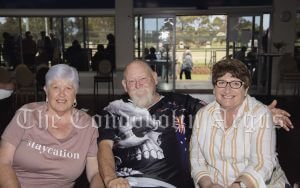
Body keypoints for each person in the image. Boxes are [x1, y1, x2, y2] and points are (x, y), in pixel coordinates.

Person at [97, 59, 293, 188]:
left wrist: (261, 112)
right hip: (127, 183)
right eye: (132, 82)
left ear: (155, 78)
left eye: (143, 79)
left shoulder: (181, 104)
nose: (138, 85)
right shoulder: (113, 110)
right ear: (124, 86)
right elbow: (104, 148)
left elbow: (223, 106)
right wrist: (110, 179)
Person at [190, 59, 290, 188]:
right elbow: (196, 160)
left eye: (235, 83)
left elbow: (261, 163)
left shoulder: (260, 114)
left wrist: (238, 185)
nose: (227, 90)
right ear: (214, 88)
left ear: (246, 89)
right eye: (221, 83)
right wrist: (208, 184)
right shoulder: (202, 115)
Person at [0, 64, 103, 188]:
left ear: (75, 92)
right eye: (55, 87)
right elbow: (3, 162)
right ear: (46, 90)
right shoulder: (26, 114)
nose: (62, 94)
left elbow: (95, 173)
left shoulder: (88, 125)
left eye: (68, 88)